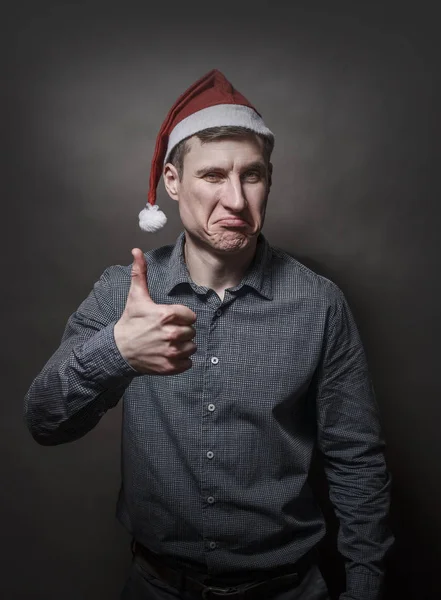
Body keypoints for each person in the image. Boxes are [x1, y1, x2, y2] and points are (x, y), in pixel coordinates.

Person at [24, 69, 394, 600]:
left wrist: (364, 588)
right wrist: (116, 353)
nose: (237, 201)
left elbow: (356, 458)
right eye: (213, 176)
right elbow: (44, 422)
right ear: (172, 182)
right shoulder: (122, 293)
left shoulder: (318, 303)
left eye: (253, 175)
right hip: (157, 587)